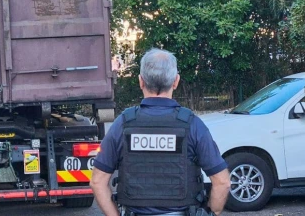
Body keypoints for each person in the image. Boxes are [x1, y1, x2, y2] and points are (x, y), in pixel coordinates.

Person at [90, 49, 231, 216]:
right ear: (176, 81)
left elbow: (98, 182)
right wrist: (212, 213)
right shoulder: (192, 124)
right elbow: (222, 182)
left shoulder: (123, 123)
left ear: (141, 81)